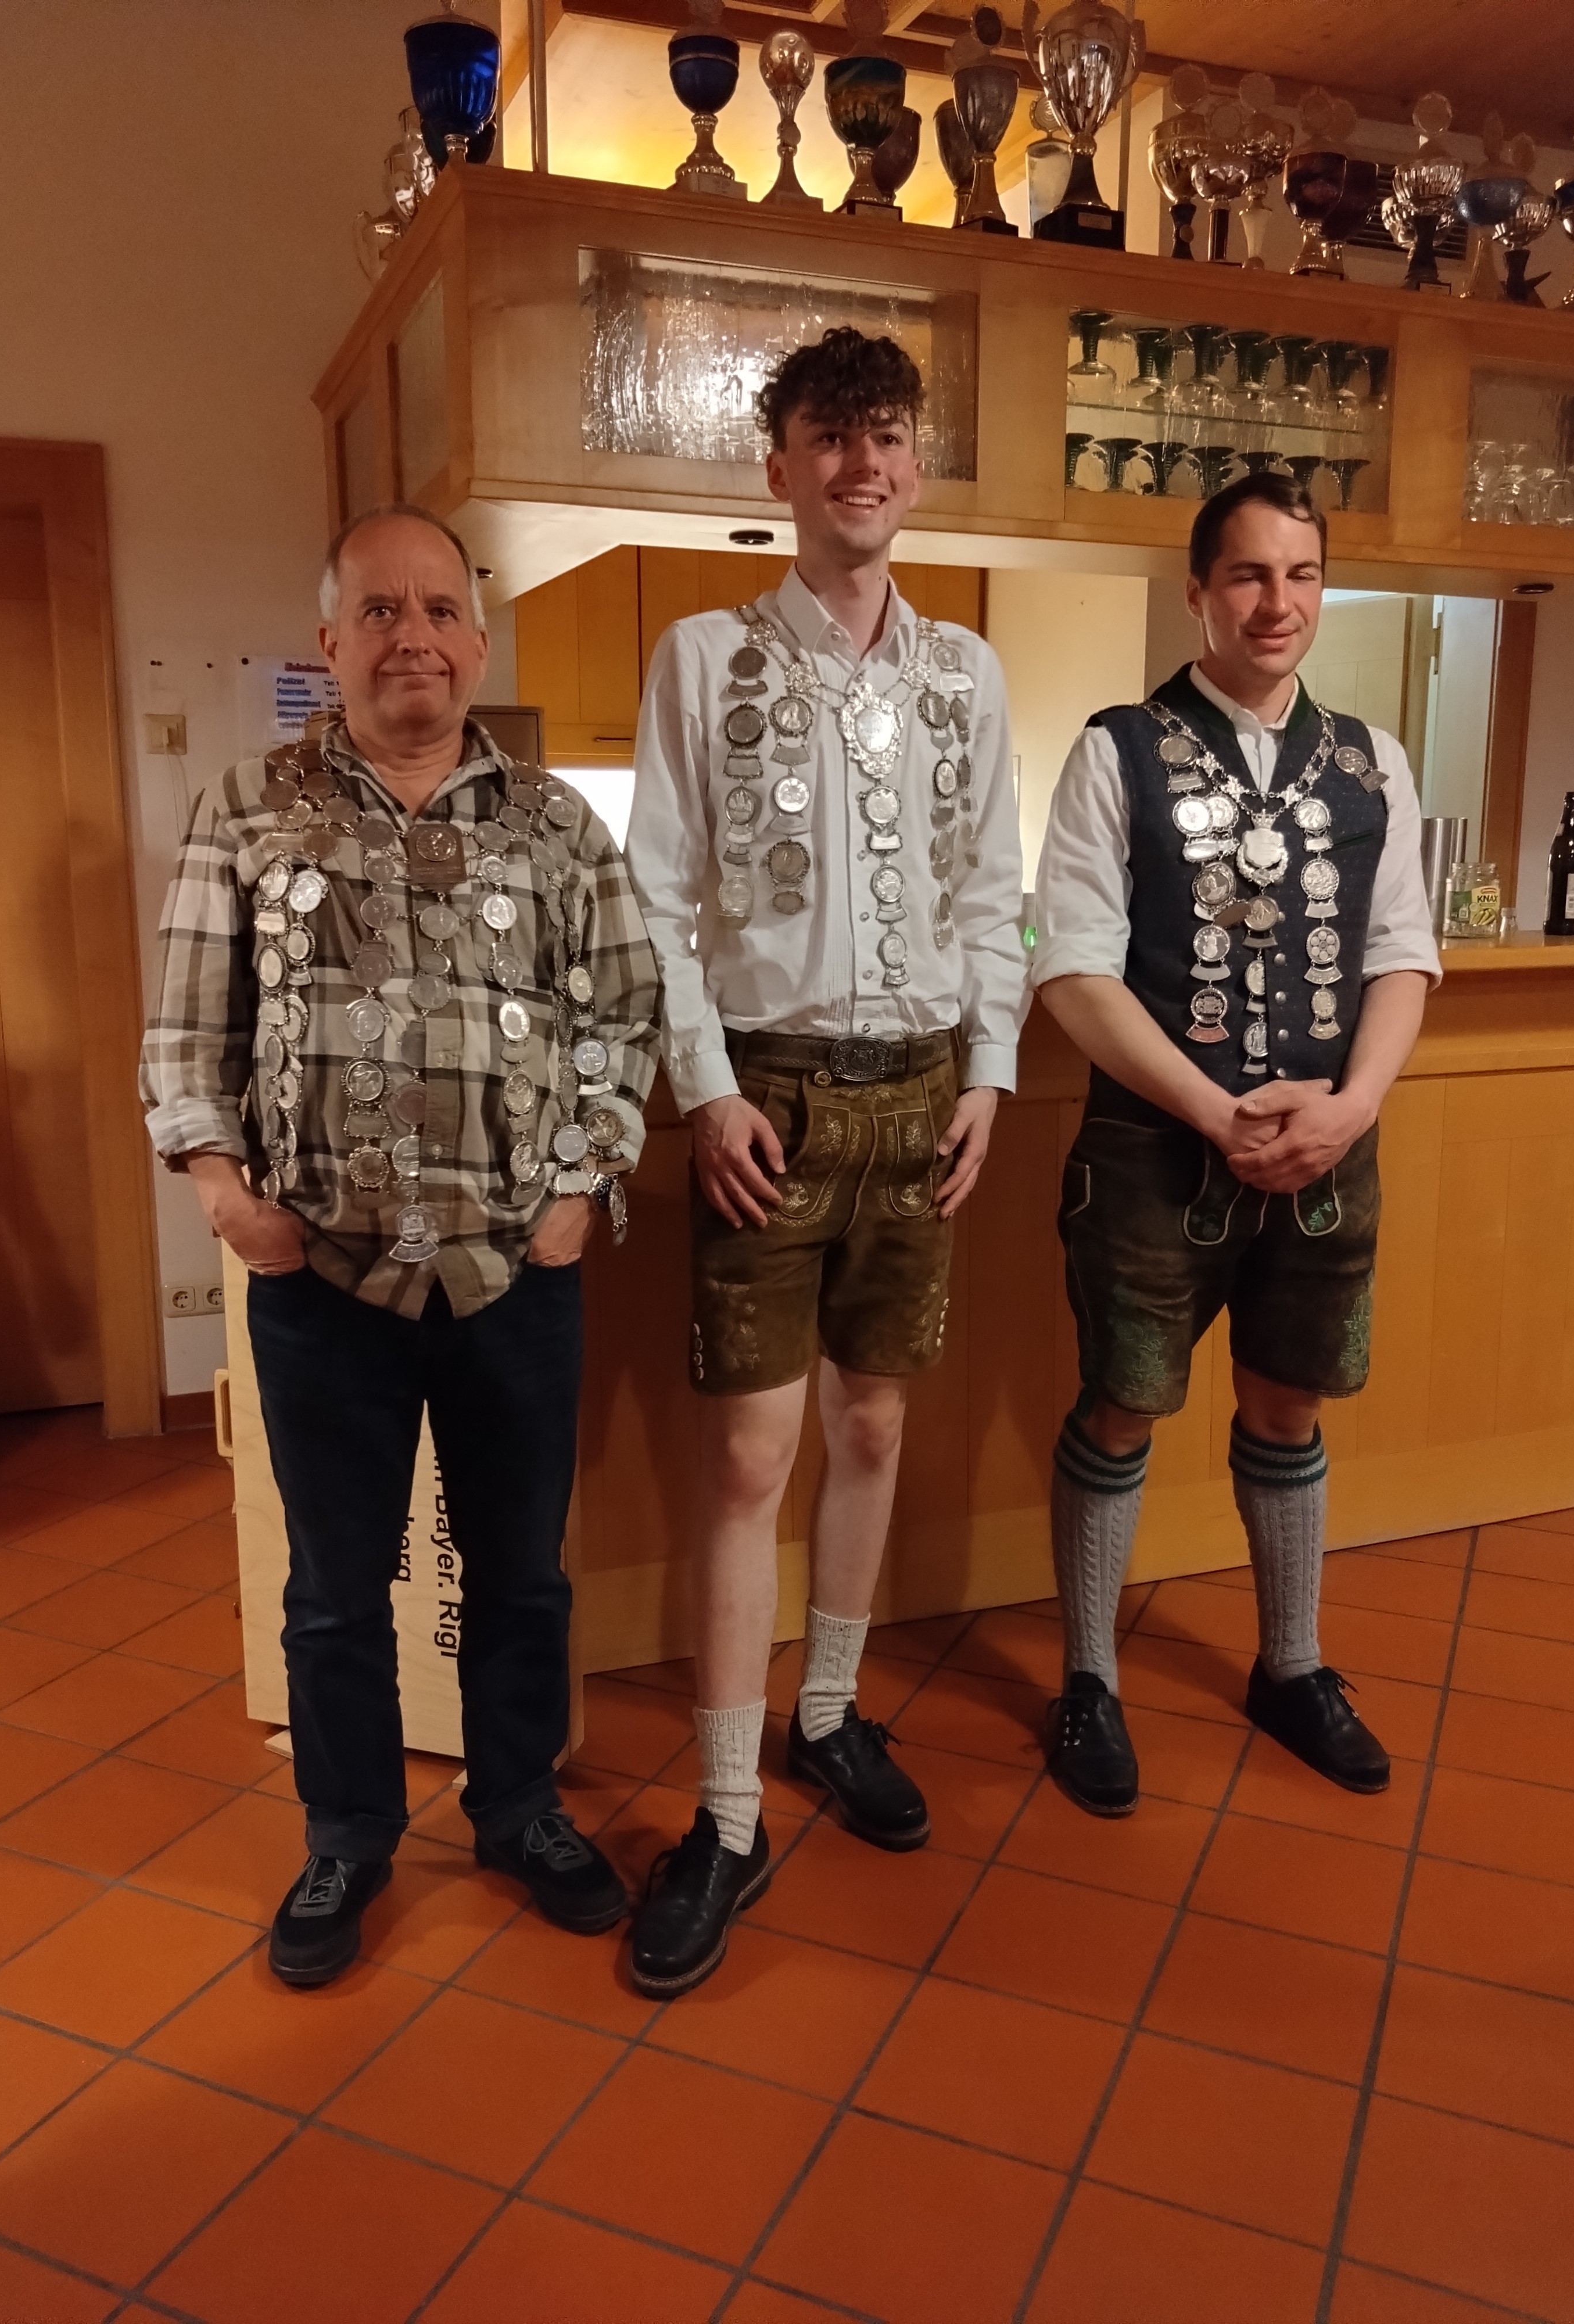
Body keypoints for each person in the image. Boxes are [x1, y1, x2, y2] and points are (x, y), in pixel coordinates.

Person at [141, 504, 659, 1985]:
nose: (411, 636)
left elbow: (626, 1017)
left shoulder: (559, 824)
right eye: (379, 610)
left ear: (478, 642)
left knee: (521, 1574)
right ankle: (349, 1831)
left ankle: (519, 1807)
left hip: (515, 1276)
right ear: (331, 640)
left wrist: (582, 1187)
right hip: (322, 1283)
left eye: (439, 609)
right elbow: (187, 1028)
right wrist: (224, 1195)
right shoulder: (248, 806)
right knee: (332, 1586)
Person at [622, 329, 1027, 1993]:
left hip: (921, 1096)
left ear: (915, 465)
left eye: (888, 434)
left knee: (874, 1423)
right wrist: (707, 1089)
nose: (864, 463)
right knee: (745, 1459)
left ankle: (832, 1714)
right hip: (769, 1103)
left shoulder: (968, 676)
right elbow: (656, 897)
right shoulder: (704, 657)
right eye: (831, 434)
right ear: (779, 465)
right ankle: (725, 1815)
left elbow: (991, 890)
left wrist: (992, 1068)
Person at [1030, 470, 1440, 1815]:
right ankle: (1089, 1677)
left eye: (1302, 573)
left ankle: (1292, 1663)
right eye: (1252, 574)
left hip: (1328, 1153)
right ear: (1200, 590)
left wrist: (1353, 1105)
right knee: (1125, 1399)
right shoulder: (1118, 750)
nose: (1280, 601)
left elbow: (1403, 953)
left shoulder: (1375, 760)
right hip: (1155, 1152)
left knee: (1288, 1398)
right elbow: (1073, 968)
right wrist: (1213, 1111)